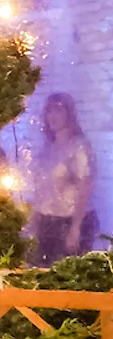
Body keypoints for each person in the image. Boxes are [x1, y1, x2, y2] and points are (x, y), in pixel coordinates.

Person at [32, 92, 98, 265]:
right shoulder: (48, 147)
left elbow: (85, 189)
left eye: (58, 110)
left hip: (70, 222)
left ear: (69, 114)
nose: (52, 116)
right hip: (47, 222)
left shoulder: (79, 147)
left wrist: (75, 229)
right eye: (49, 111)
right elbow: (42, 187)